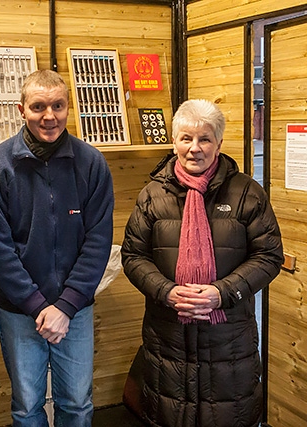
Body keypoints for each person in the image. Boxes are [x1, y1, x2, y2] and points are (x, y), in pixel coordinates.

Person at [121, 99, 284, 426]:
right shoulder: (152, 195)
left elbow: (269, 255)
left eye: (205, 139)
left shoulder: (246, 194)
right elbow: (133, 256)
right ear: (174, 141)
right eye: (186, 138)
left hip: (229, 343)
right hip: (167, 340)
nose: (194, 148)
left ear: (219, 143)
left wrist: (221, 293)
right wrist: (166, 291)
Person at [0, 69, 114, 426]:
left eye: (57, 105)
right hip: (20, 312)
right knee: (26, 406)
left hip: (76, 311)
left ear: (69, 108)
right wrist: (38, 305)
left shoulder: (92, 164)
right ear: (22, 110)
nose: (48, 116)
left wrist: (66, 306)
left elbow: (98, 240)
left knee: (78, 404)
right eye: (38, 106)